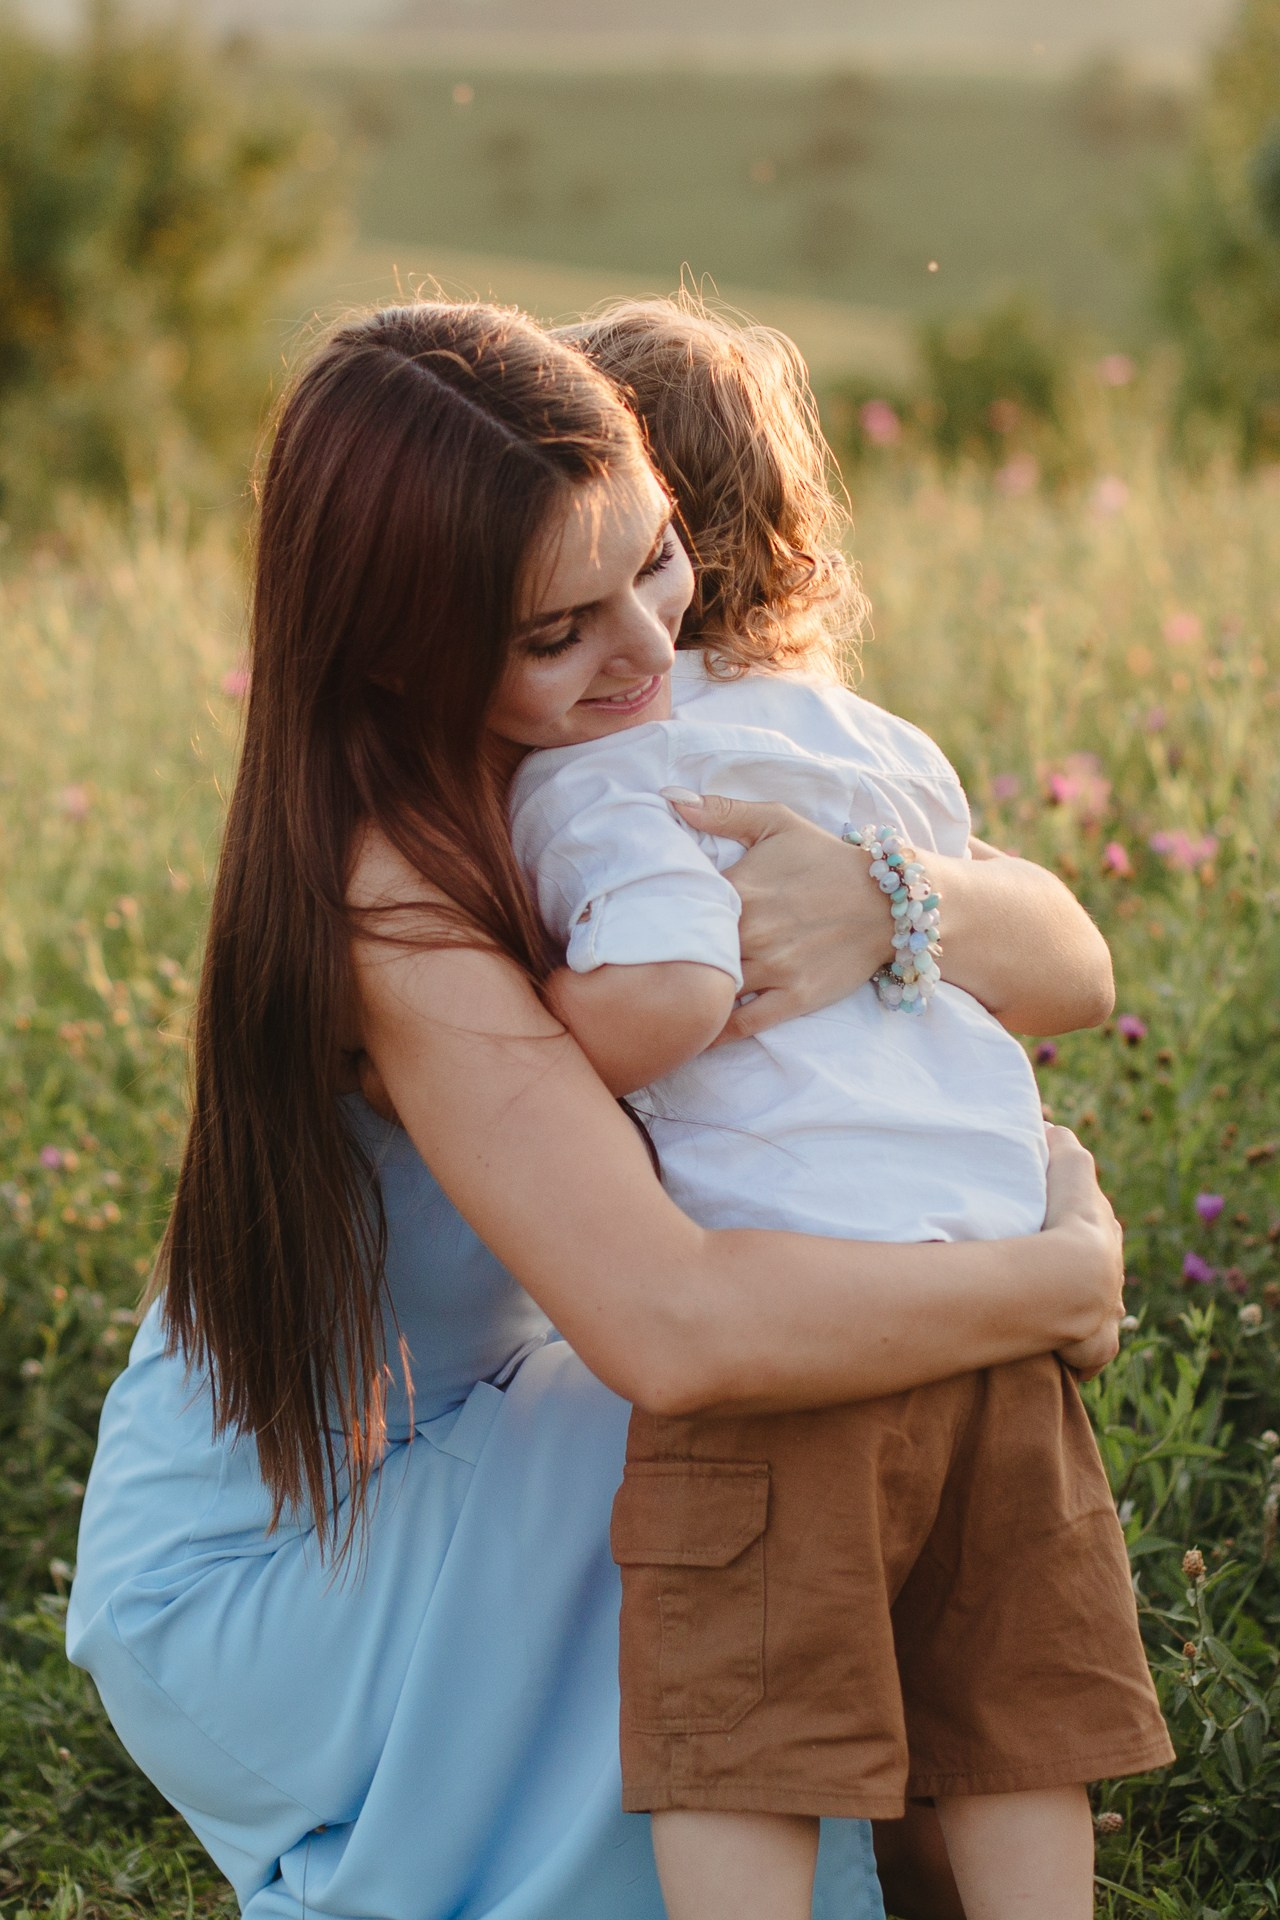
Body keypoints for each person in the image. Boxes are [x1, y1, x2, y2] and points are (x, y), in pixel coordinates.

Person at [66, 301, 1127, 1920]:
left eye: (657, 559)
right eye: (560, 627)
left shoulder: (591, 734)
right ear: (406, 647)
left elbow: (1071, 960)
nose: (645, 651)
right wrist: (1051, 1283)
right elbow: (676, 1331)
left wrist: (887, 896)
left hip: (500, 1424)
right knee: (767, 1389)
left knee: (838, 1344)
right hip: (287, 1558)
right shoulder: (392, 890)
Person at [504, 298, 1173, 1920]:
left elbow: (667, 994)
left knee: (741, 1738)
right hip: (994, 1311)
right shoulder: (888, 751)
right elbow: (1039, 958)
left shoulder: (597, 767)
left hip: (793, 1325)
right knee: (1018, 1726)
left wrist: (531, 1036)